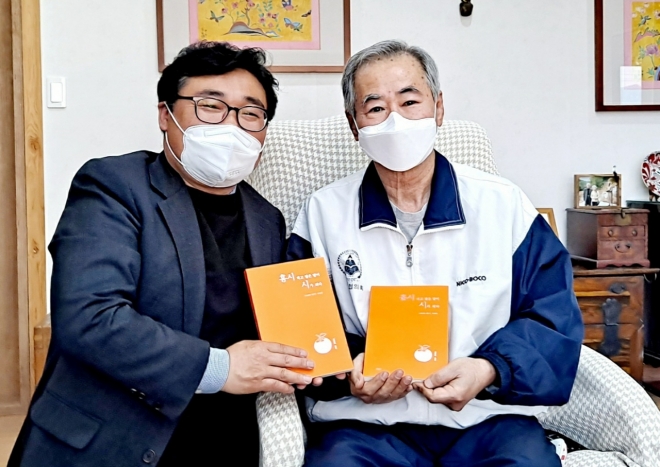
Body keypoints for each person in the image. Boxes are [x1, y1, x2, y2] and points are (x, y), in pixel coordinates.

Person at [9, 42, 319, 467]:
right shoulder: (114, 185)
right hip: (112, 433)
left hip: (228, 433)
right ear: (165, 115)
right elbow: (89, 317)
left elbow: (282, 323)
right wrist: (220, 368)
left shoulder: (267, 218)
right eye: (211, 106)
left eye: (251, 113)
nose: (232, 125)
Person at [287, 40, 584, 467]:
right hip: (365, 425)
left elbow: (552, 317)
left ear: (439, 108)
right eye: (375, 108)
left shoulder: (504, 206)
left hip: (488, 419)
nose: (395, 120)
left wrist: (489, 369)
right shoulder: (322, 213)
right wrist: (349, 371)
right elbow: (300, 329)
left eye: (410, 102)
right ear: (354, 125)